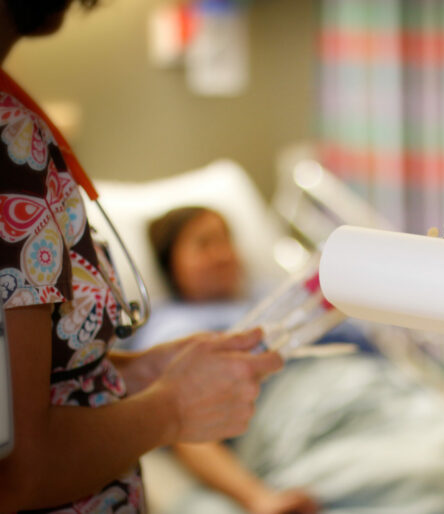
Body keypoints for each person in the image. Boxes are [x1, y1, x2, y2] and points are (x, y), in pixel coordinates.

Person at [0, 2, 283, 512]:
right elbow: (15, 471)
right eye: (202, 243)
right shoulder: (7, 146)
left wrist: (139, 373)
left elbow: (50, 388)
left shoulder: (12, 110)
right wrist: (173, 407)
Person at [131, 206, 319, 514]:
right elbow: (183, 425)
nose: (222, 254)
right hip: (294, 422)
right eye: (204, 245)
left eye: (225, 241)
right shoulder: (174, 330)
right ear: (171, 264)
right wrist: (259, 499)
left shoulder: (274, 293)